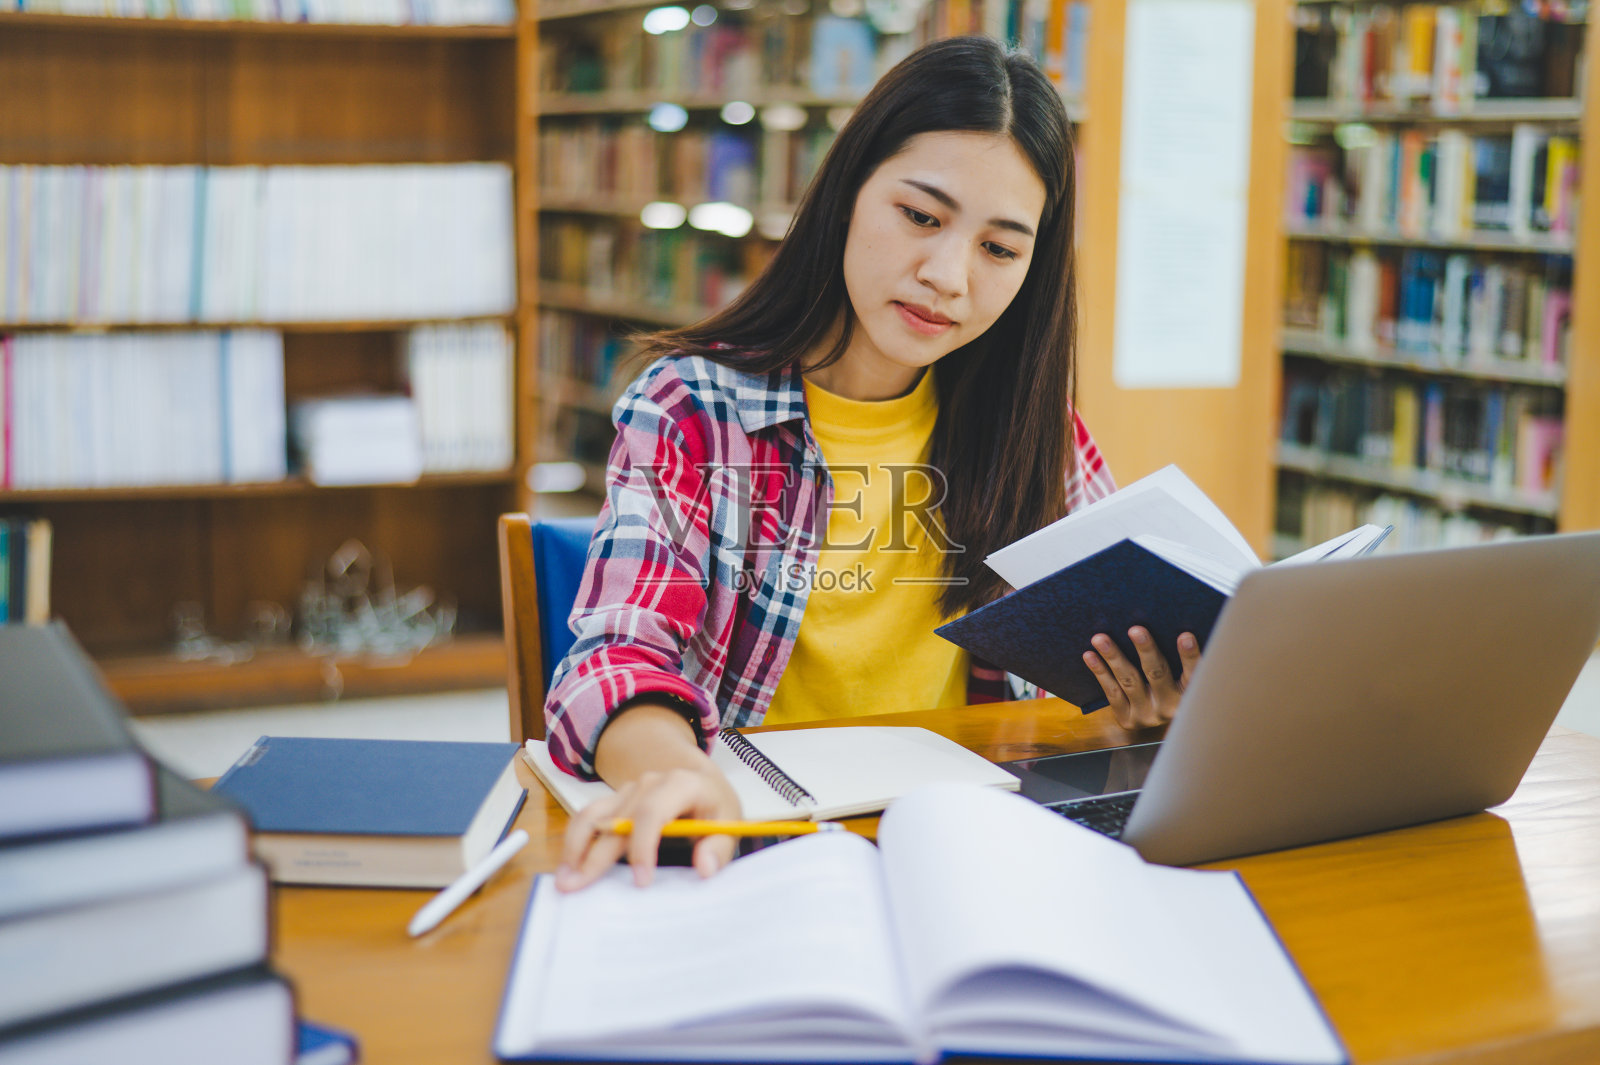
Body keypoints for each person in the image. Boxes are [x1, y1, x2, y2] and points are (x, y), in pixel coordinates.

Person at [546, 35, 1201, 891]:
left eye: (999, 250)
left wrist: (1149, 709)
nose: (947, 276)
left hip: (971, 847)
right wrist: (670, 767)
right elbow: (616, 656)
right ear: (849, 191)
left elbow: (1094, 680)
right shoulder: (694, 410)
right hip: (762, 841)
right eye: (922, 217)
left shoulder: (1041, 436)